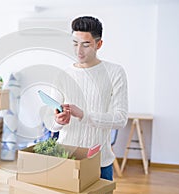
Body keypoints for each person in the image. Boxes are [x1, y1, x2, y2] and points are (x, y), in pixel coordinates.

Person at [43, 16, 128, 181]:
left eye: (86, 44)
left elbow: (120, 119)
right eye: (75, 43)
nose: (79, 51)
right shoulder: (62, 75)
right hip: (65, 161)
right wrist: (58, 121)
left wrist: (84, 115)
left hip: (99, 164)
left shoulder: (115, 73)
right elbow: (49, 121)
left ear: (99, 44)